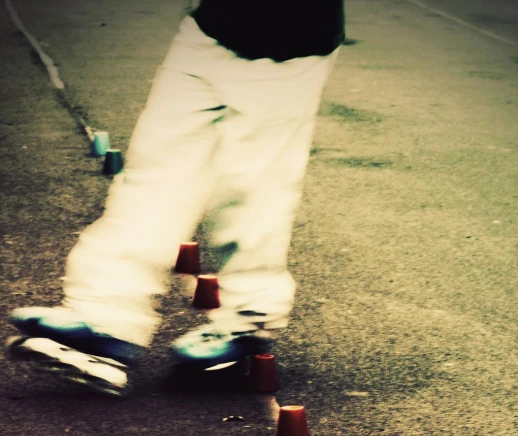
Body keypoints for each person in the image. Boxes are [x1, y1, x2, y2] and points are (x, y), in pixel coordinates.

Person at [8, 0, 345, 394]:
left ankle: (249, 318)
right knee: (155, 166)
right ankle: (106, 314)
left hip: (289, 39)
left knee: (251, 186)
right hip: (211, 27)